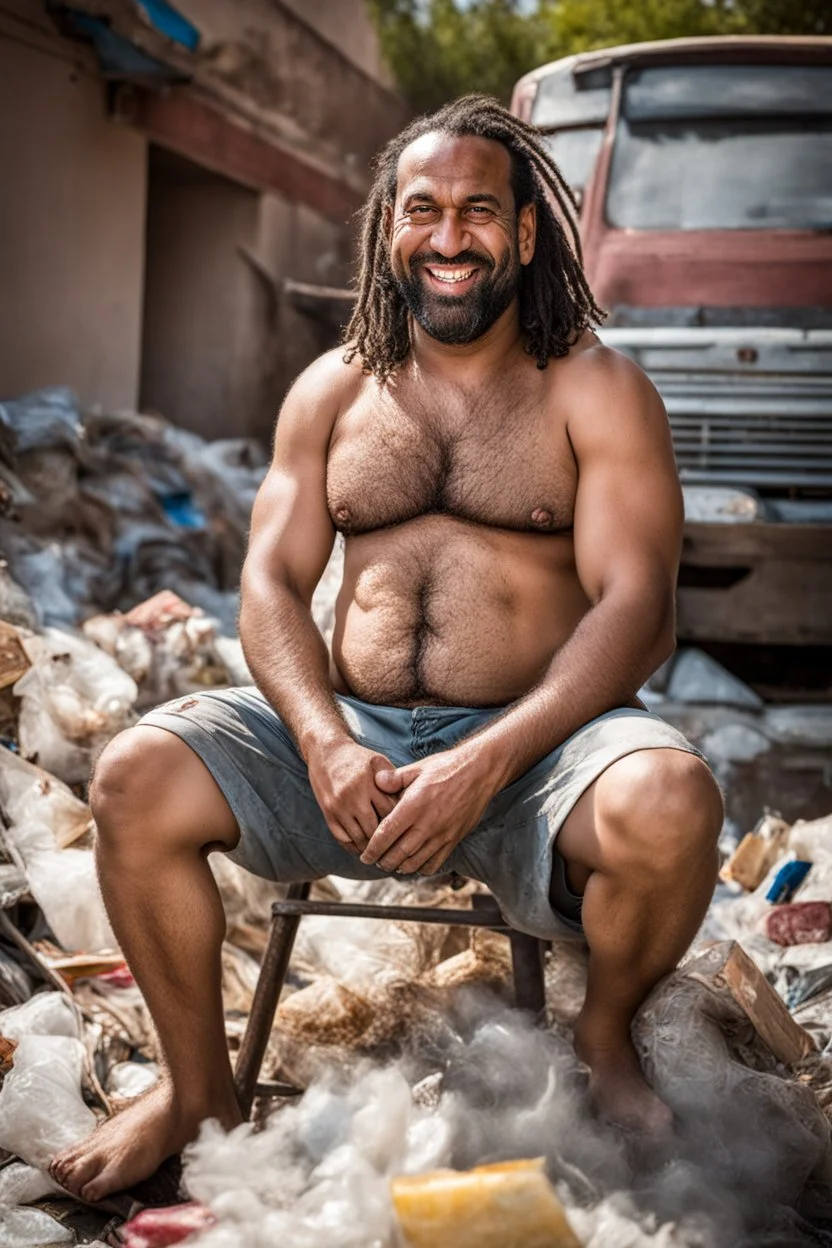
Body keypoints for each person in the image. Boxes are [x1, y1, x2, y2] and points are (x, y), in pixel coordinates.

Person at [50, 94, 722, 1203]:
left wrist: (485, 761)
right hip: (349, 747)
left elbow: (639, 608)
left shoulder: (596, 392)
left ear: (524, 232)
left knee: (671, 801)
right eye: (423, 209)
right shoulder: (331, 391)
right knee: (135, 778)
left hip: (538, 760)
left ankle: (604, 1039)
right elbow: (268, 580)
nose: (448, 238)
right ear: (387, 227)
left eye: (476, 211)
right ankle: (195, 1092)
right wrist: (318, 741)